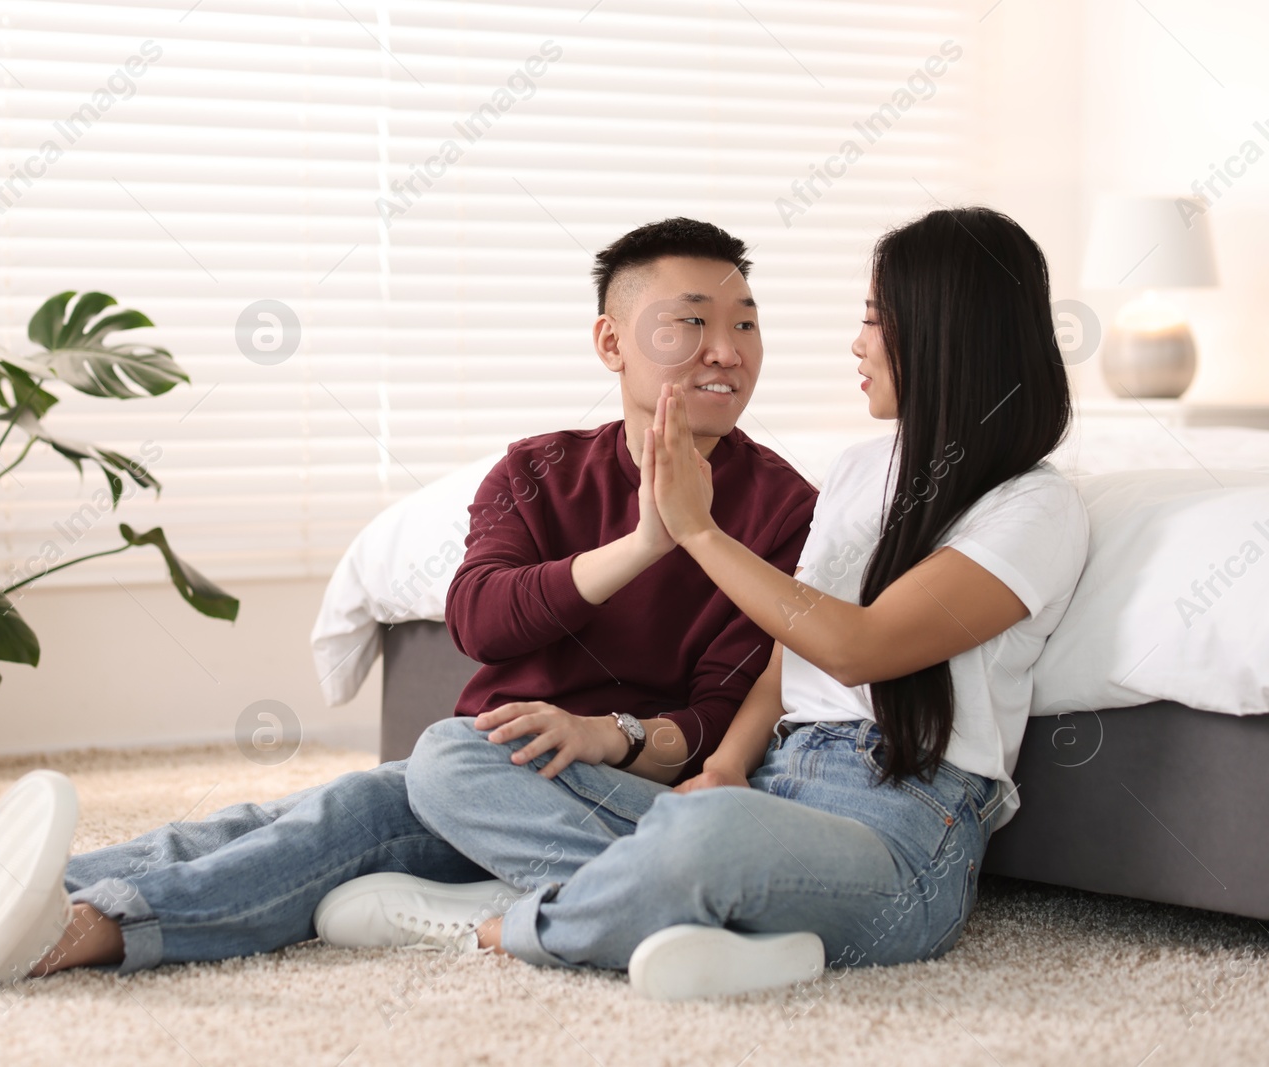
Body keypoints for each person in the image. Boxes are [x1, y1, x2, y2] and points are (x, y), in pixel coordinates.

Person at [0, 217, 819, 987]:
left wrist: (603, 734)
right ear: (613, 342)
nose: (726, 349)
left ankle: (68, 926)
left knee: (382, 789)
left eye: (743, 323)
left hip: (608, 785)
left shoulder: (784, 504)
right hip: (493, 760)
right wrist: (646, 540)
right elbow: (481, 619)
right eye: (690, 322)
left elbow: (723, 709)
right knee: (309, 812)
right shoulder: (538, 469)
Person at [331, 205, 1089, 1001]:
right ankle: (722, 929)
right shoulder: (867, 470)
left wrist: (696, 530)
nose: (857, 344)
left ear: (944, 333)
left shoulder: (1034, 509)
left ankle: (515, 924)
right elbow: (785, 656)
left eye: (874, 320)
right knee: (454, 758)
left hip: (902, 829)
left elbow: (857, 647)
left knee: (710, 840)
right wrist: (726, 766)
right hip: (771, 788)